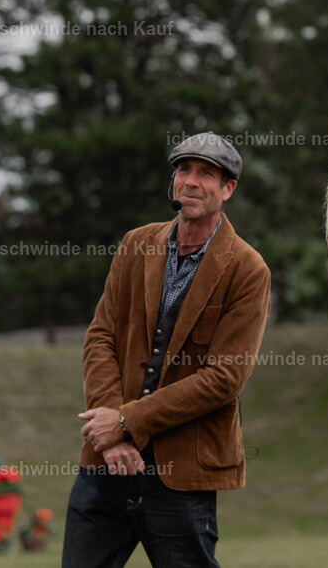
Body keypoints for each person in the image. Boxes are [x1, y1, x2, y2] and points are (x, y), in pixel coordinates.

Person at [63, 132, 271, 567]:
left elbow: (223, 378)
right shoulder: (136, 243)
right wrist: (111, 433)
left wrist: (126, 421)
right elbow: (101, 336)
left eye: (206, 174)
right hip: (105, 465)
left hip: (183, 472)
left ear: (228, 188)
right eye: (183, 170)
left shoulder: (248, 269)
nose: (191, 181)